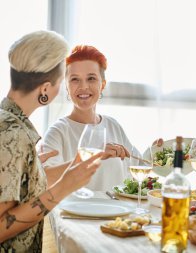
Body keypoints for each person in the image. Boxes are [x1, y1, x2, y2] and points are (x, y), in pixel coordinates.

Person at [0, 31, 102, 252]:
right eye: (63, 78)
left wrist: (35, 170)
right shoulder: (13, 133)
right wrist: (65, 187)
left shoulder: (8, 121)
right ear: (45, 89)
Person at [42, 45, 139, 191]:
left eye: (91, 78)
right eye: (75, 79)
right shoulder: (58, 131)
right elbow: (45, 178)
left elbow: (138, 165)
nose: (83, 86)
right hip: (74, 213)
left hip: (116, 212)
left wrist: (157, 150)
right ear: (67, 87)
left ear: (103, 85)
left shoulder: (113, 126)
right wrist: (93, 156)